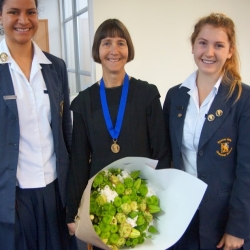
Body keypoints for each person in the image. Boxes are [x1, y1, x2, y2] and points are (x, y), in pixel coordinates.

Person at [66, 18, 170, 249]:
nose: (114, 50)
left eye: (120, 43)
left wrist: (161, 203)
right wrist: (71, 212)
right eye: (106, 43)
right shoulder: (84, 101)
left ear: (128, 49)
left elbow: (162, 152)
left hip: (143, 202)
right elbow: (79, 162)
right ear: (97, 50)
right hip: (101, 206)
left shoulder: (147, 95)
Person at [163, 13, 250, 250]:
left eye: (218, 45)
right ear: (193, 46)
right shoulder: (175, 96)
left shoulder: (244, 99)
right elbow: (169, 156)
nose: (209, 52)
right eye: (203, 43)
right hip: (182, 214)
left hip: (223, 217)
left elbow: (247, 170)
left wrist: (238, 227)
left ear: (230, 51)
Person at [0, 0, 72, 249]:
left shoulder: (56, 67)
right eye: (13, 12)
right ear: (1, 17)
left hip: (54, 191)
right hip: (13, 195)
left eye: (30, 12)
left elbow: (65, 131)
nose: (23, 20)